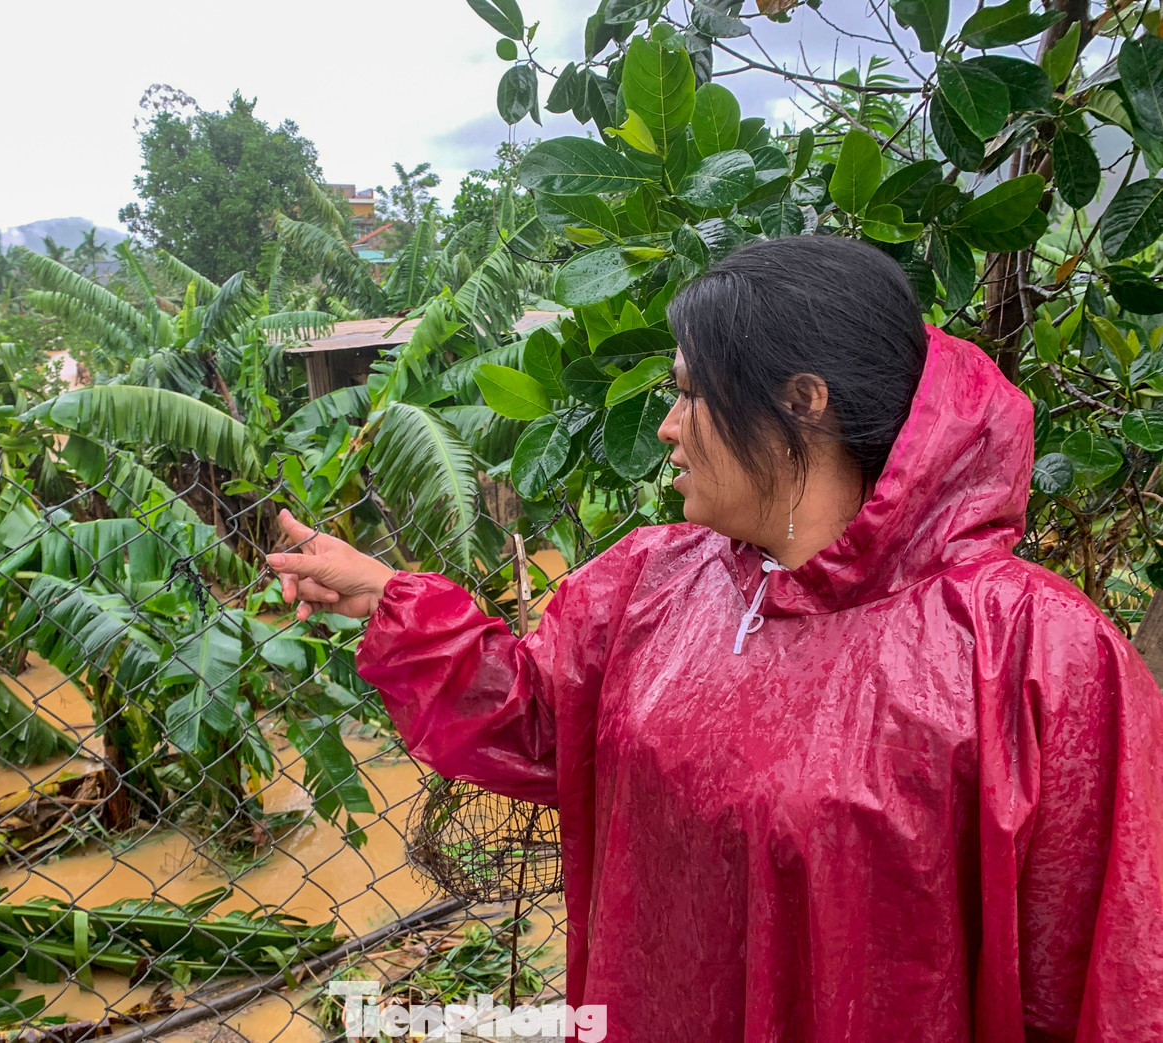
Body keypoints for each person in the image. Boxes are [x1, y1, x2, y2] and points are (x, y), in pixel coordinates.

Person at [264, 236, 1163, 1042]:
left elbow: (1105, 971)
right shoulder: (655, 580)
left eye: (692, 393)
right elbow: (539, 721)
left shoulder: (1032, 650)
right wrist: (388, 598)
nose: (666, 425)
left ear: (802, 402)